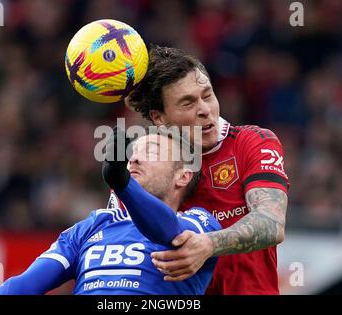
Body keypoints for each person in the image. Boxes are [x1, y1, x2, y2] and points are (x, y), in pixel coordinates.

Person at [123, 45, 290, 295]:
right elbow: (120, 240)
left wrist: (208, 244)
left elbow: (271, 223)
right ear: (159, 118)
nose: (205, 110)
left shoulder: (252, 142)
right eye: (187, 103)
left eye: (207, 95)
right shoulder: (142, 163)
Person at [0, 127, 221, 295]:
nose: (134, 158)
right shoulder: (92, 226)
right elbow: (23, 285)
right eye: (132, 152)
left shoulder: (201, 222)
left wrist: (122, 183)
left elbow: (170, 231)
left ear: (183, 176)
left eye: (152, 152)